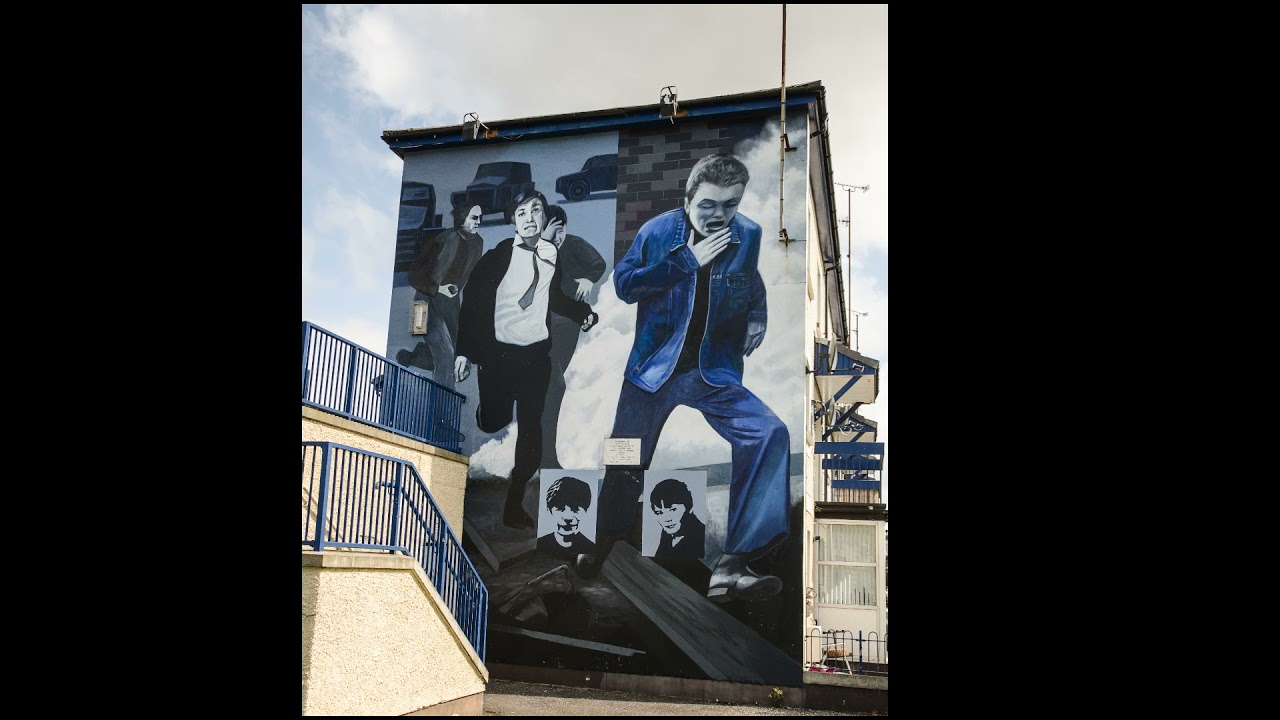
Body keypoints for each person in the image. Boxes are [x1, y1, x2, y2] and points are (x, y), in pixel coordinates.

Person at [575, 154, 789, 604]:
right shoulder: (657, 232)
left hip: (711, 371)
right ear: (688, 199)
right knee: (624, 457)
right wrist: (686, 261)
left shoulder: (747, 234)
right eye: (708, 204)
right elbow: (625, 285)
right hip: (652, 372)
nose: (719, 216)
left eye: (730, 205)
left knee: (770, 432)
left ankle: (733, 565)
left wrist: (757, 317)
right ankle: (601, 542)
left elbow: (750, 282)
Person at [455, 190, 599, 529]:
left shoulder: (550, 253)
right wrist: (465, 351)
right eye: (521, 212)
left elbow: (552, 297)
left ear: (545, 218)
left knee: (532, 436)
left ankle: (513, 505)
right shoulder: (499, 255)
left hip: (536, 357)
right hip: (498, 357)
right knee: (494, 421)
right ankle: (489, 411)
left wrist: (582, 313)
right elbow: (473, 300)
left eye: (536, 210)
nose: (529, 217)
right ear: (513, 221)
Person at [540, 204, 607, 469]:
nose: (557, 237)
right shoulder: (534, 252)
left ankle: (544, 454)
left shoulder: (575, 245)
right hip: (540, 330)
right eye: (552, 231)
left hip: (567, 326)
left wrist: (589, 280)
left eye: (561, 231)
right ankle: (546, 458)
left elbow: (598, 263)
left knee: (552, 389)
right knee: (553, 387)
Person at [399, 203, 485, 391]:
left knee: (459, 353)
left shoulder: (478, 242)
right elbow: (413, 274)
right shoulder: (442, 240)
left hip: (450, 305)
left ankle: (413, 357)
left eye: (480, 217)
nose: (479, 221)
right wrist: (438, 288)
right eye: (474, 217)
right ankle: (442, 405)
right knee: (445, 355)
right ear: (462, 220)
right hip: (422, 303)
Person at [536, 476, 598, 557]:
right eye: (560, 508)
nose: (567, 517)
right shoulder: (541, 545)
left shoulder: (590, 547)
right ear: (549, 510)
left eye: (576, 509)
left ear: (586, 511)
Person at [649, 478, 706, 560]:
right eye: (659, 513)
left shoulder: (702, 536)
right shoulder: (668, 533)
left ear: (689, 507)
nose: (666, 519)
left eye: (672, 510)